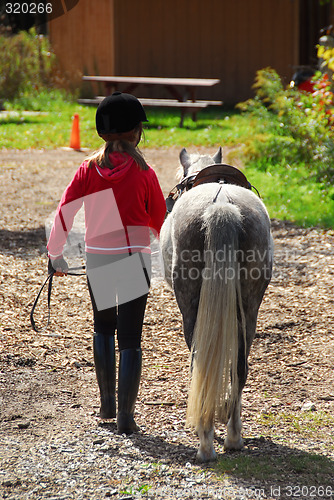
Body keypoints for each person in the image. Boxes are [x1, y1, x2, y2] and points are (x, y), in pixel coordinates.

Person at [47, 92, 166, 434]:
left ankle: (106, 406)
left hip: (98, 257)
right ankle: (127, 418)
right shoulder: (145, 172)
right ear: (134, 133)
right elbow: (159, 219)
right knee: (130, 336)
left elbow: (65, 210)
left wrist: (55, 252)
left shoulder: (87, 169)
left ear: (102, 132)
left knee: (102, 326)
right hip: (134, 258)